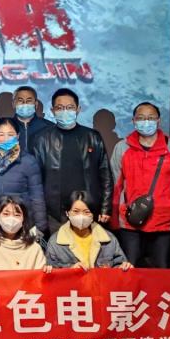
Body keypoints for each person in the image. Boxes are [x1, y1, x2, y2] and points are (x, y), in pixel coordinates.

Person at [110, 102, 170, 268]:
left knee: (161, 270)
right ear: (134, 121)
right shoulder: (122, 148)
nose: (146, 121)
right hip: (130, 219)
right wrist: (114, 218)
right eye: (141, 118)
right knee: (129, 268)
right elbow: (116, 184)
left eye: (150, 118)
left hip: (165, 219)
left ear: (158, 120)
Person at [32, 88, 113, 232]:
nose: (65, 111)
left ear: (78, 109)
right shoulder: (42, 139)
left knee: (87, 246)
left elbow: (105, 175)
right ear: (52, 110)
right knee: (57, 246)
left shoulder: (92, 137)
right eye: (60, 108)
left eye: (70, 107)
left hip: (88, 210)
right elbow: (35, 181)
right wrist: (40, 214)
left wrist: (105, 208)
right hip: (54, 214)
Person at [0, 117, 47, 234]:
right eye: (1, 134)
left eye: (10, 134)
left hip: (21, 226)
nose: (6, 139)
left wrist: (41, 227)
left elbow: (37, 198)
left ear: (17, 136)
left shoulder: (29, 161)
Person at [46, 191, 132, 270]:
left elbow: (119, 264)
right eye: (76, 211)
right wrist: (70, 270)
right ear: (67, 213)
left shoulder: (108, 239)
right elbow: (51, 272)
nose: (81, 216)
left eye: (86, 212)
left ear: (93, 214)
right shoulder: (55, 242)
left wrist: (123, 267)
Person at [0, 197, 48, 271]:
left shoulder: (34, 249)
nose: (11, 219)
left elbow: (41, 277)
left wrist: (47, 271)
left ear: (24, 219)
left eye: (17, 215)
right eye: (6, 214)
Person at [9, 85, 53, 153]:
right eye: (20, 100)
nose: (25, 103)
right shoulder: (4, 127)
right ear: (13, 104)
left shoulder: (50, 127)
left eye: (29, 100)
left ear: (36, 104)